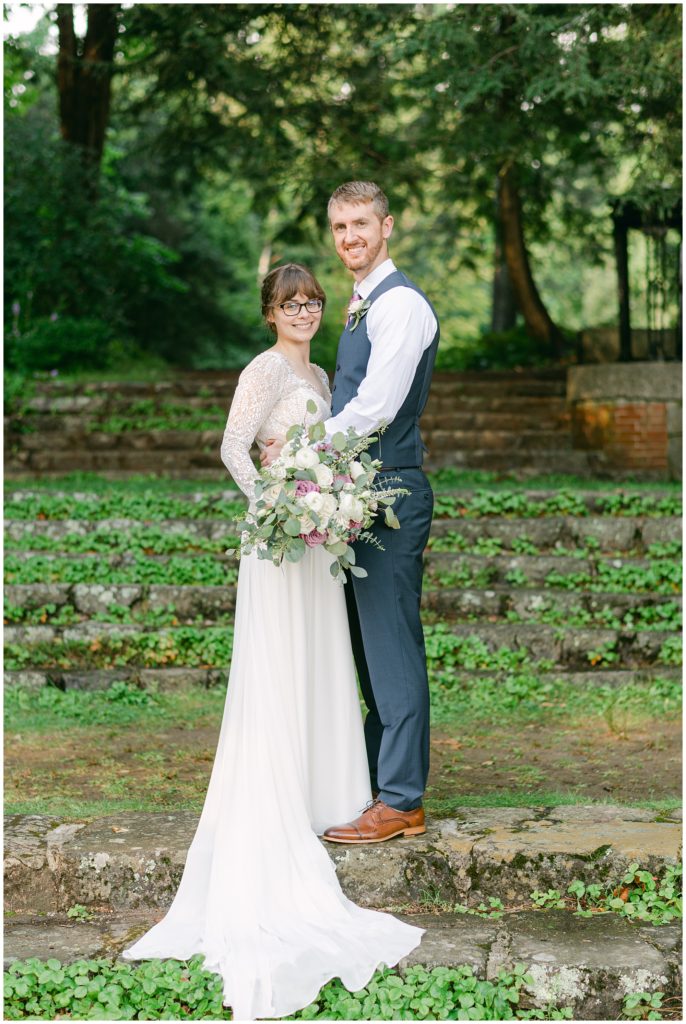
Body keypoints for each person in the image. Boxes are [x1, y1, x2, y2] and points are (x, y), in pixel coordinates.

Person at [121, 262, 424, 1021]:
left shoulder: (321, 375)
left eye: (312, 302)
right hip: (280, 541)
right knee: (280, 667)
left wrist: (321, 505)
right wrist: (275, 504)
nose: (303, 312)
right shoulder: (263, 370)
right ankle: (280, 798)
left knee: (322, 664)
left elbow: (334, 447)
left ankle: (329, 794)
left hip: (318, 545)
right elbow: (233, 447)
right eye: (290, 303)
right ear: (270, 312)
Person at [263, 181, 439, 844]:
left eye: (361, 223)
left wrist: (303, 451)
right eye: (339, 227)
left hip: (391, 493)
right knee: (366, 653)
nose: (349, 237)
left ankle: (402, 799)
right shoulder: (363, 305)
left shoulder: (402, 306)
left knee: (391, 648)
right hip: (356, 494)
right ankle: (374, 781)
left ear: (387, 226)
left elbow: (377, 407)